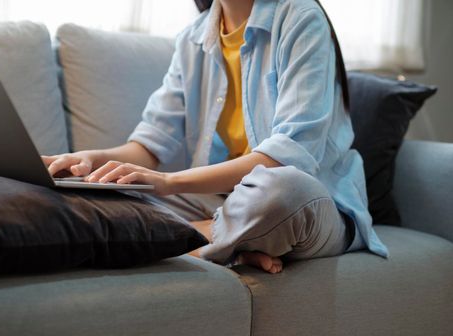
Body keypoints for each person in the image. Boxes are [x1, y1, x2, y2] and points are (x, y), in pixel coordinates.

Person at [42, 0, 388, 274]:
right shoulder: (193, 38)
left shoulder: (300, 18)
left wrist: (168, 182)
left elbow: (289, 155)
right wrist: (89, 159)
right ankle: (235, 246)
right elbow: (150, 143)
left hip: (310, 203)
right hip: (220, 201)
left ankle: (191, 239)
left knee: (281, 190)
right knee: (101, 194)